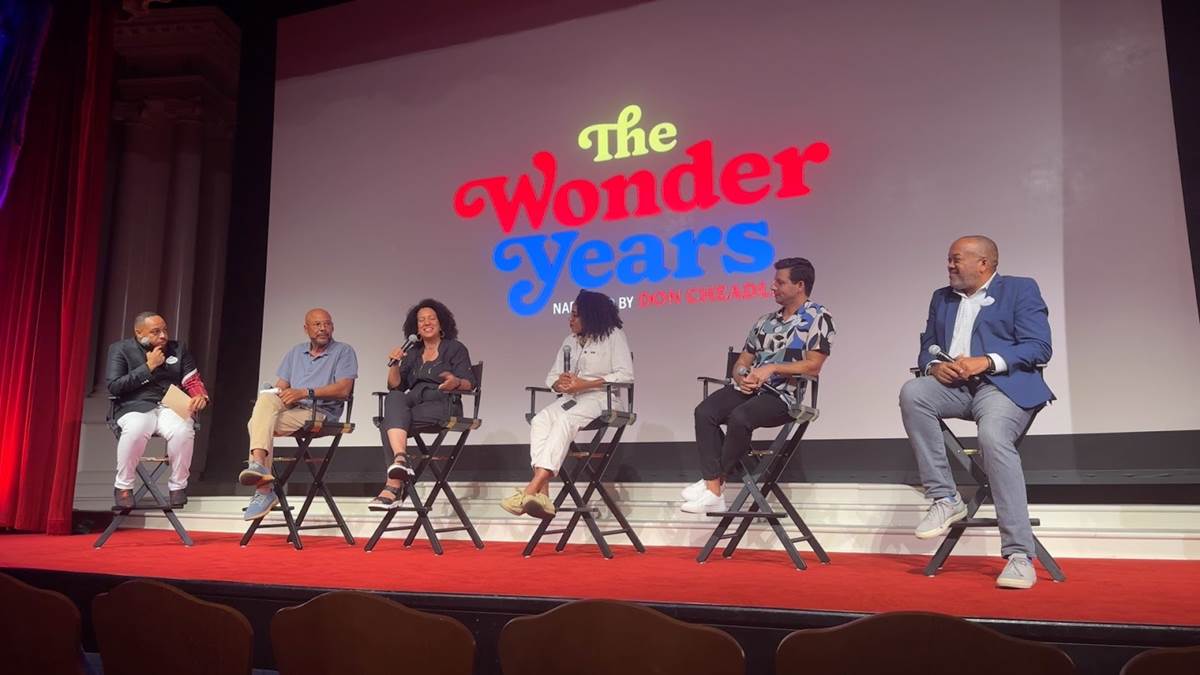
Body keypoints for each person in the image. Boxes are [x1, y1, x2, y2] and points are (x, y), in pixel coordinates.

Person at [899, 235, 1054, 589]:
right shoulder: (941, 297)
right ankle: (945, 497)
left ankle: (1018, 555)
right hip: (956, 388)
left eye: (956, 259)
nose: (949, 265)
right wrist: (934, 367)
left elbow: (1039, 347)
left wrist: (986, 361)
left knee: (993, 436)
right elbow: (927, 346)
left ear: (983, 263)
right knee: (913, 392)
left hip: (1003, 386)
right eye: (949, 259)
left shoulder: (1020, 289)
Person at [683, 258, 834, 514]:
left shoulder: (818, 317)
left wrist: (772, 368)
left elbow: (813, 365)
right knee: (705, 412)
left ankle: (714, 484)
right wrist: (742, 375)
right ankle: (713, 488)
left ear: (799, 285)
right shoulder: (765, 321)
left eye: (780, 282)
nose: (772, 287)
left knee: (740, 417)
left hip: (784, 396)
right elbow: (743, 361)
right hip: (752, 390)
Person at [500, 290, 634, 520]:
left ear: (591, 315)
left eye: (575, 315)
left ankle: (530, 490)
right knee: (540, 420)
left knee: (564, 420)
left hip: (602, 398)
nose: (569, 319)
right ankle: (543, 496)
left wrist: (585, 383)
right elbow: (552, 377)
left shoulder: (613, 335)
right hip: (572, 399)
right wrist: (559, 383)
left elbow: (626, 375)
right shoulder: (569, 341)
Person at [238, 308, 357, 520]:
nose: (323, 328)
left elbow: (343, 389)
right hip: (293, 409)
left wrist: (304, 392)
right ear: (306, 328)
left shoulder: (343, 351)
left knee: (255, 424)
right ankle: (259, 468)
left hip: (320, 412)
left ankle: (263, 489)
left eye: (327, 324)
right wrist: (275, 393)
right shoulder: (296, 352)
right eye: (317, 324)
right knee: (265, 399)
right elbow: (281, 387)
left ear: (332, 327)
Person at [371, 299, 476, 508]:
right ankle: (400, 458)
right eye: (421, 320)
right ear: (416, 327)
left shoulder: (455, 348)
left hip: (444, 402)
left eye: (431, 318)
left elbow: (470, 383)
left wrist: (455, 382)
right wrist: (395, 364)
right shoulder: (412, 352)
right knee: (394, 398)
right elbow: (396, 386)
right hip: (415, 401)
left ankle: (393, 486)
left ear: (441, 322)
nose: (426, 323)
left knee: (388, 424)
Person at [105, 312, 209, 509]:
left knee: (183, 429)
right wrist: (149, 366)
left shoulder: (178, 349)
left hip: (171, 404)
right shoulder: (121, 349)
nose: (163, 336)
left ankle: (178, 486)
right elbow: (114, 386)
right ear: (139, 332)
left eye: (165, 330)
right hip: (135, 405)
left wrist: (200, 396)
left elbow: (192, 380)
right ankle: (124, 486)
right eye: (155, 332)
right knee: (136, 428)